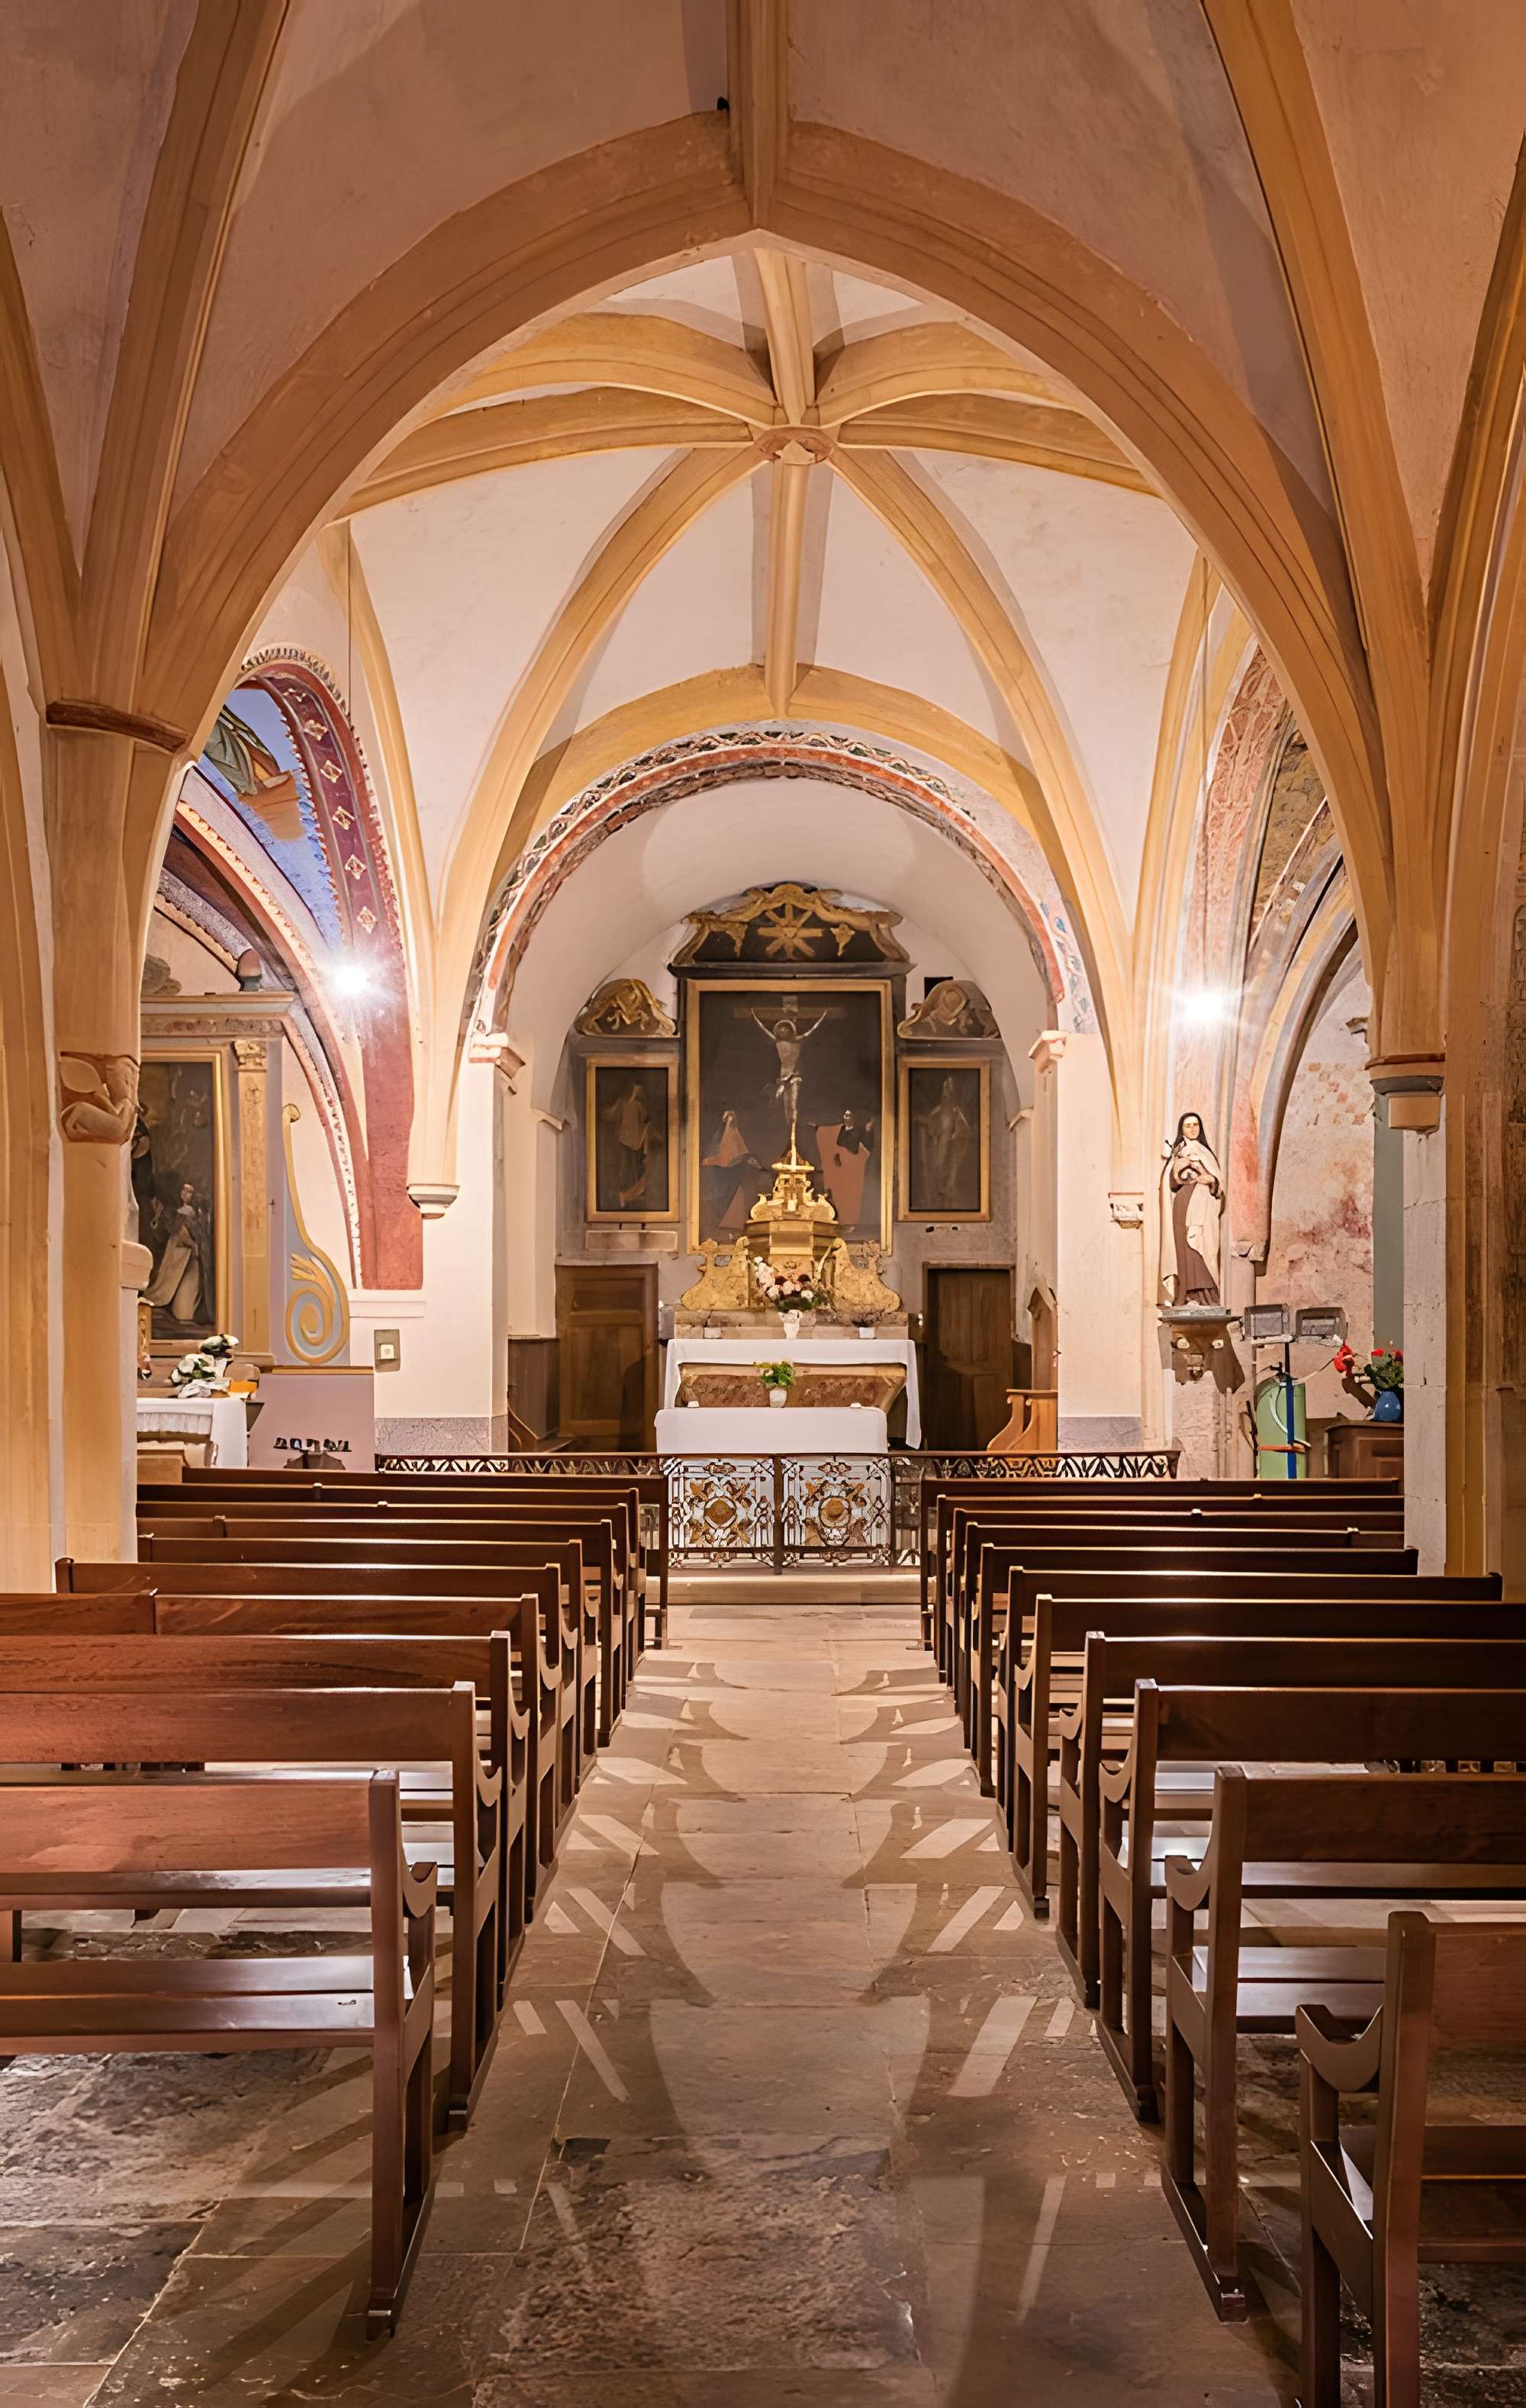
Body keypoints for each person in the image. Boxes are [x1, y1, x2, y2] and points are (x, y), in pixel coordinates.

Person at [1159, 1111, 1223, 1306]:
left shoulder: (1206, 1153)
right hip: (1184, 1205)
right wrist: (1181, 1167)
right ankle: (1188, 1295)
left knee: (1204, 1245)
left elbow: (1218, 1184)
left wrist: (1211, 1179)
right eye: (1188, 1125)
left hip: (1204, 1207)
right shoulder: (1179, 1152)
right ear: (1182, 1129)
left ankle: (1207, 1296)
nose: (1192, 1129)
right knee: (1187, 1249)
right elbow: (1170, 1182)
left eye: (1195, 1125)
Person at [143, 1181, 214, 1327]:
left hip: (188, 1256)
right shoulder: (177, 1212)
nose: (185, 1194)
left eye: (189, 1192)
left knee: (187, 1290)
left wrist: (193, 1244)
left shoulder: (192, 1214)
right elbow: (172, 1232)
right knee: (167, 1280)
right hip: (177, 1254)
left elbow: (188, 1235)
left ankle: (185, 1314)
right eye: (183, 1191)